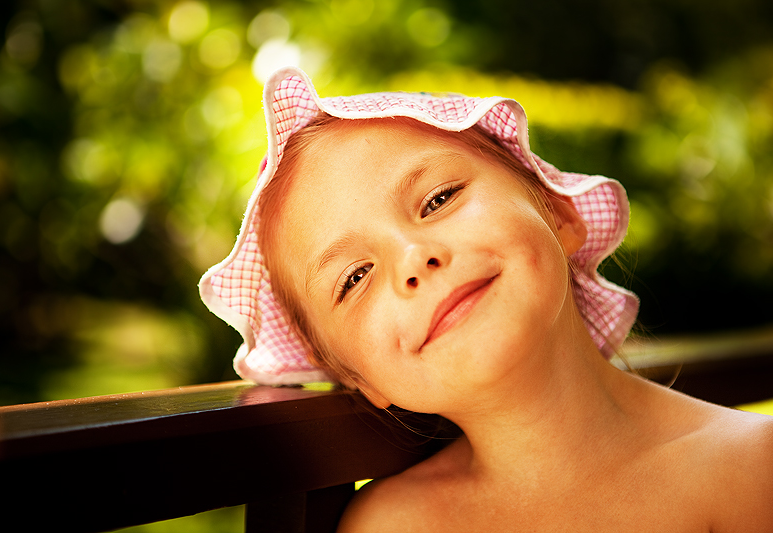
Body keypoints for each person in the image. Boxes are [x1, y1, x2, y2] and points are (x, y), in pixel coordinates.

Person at [200, 67, 773, 531]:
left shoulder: (752, 468)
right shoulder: (392, 527)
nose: (412, 260)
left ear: (559, 212)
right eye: (353, 278)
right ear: (359, 378)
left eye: (439, 198)